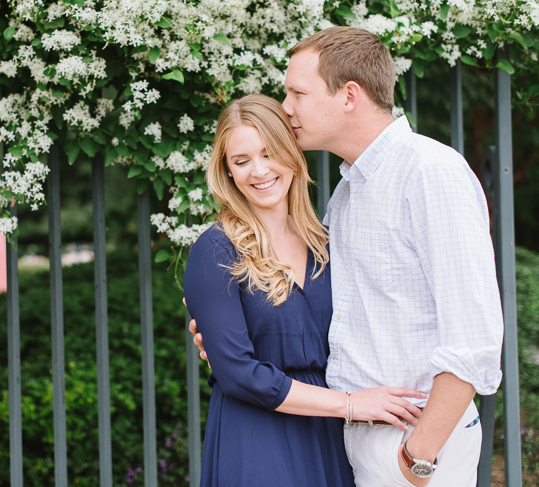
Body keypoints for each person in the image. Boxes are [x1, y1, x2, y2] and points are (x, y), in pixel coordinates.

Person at [190, 27, 504, 487]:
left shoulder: (429, 174)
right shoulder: (345, 196)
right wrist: (225, 338)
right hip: (347, 440)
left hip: (412, 442)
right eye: (241, 160)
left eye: (297, 92)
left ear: (349, 95)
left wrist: (419, 457)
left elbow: (474, 340)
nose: (287, 107)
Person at [184, 93, 424, 487]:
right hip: (256, 439)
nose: (258, 171)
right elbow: (238, 374)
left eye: (268, 153)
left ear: (292, 154)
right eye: (240, 161)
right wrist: (349, 405)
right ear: (226, 172)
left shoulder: (330, 244)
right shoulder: (215, 250)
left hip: (332, 438)